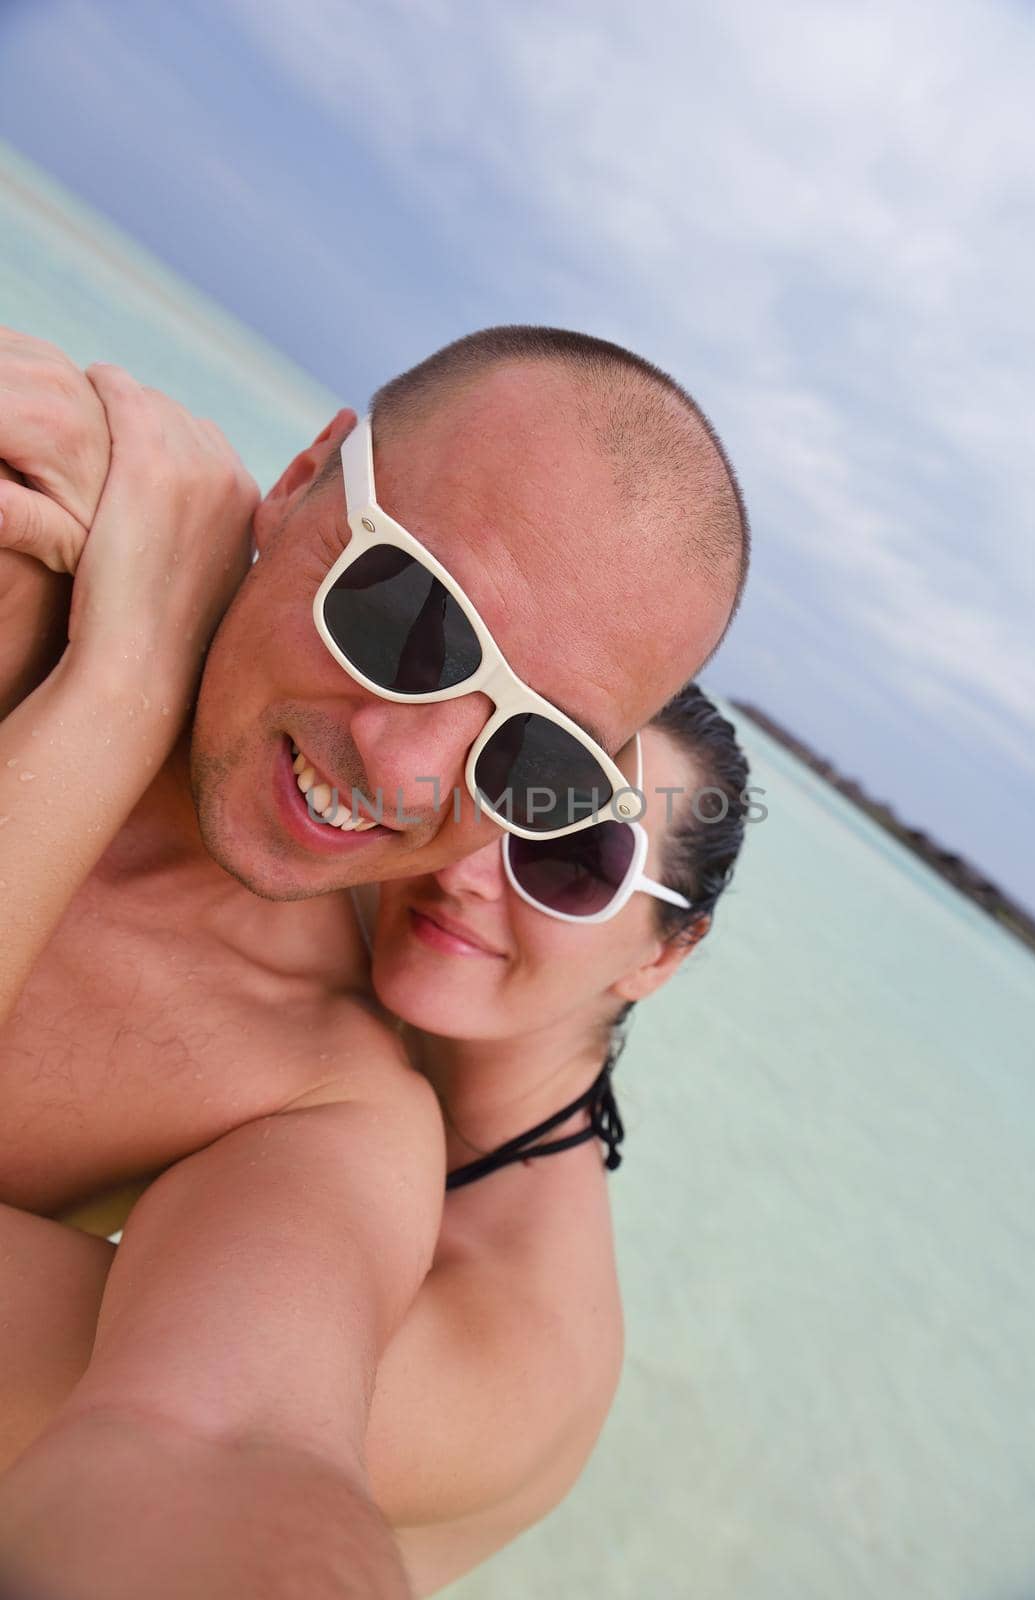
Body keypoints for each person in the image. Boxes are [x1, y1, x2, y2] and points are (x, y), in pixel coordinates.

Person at [0, 324, 750, 1597]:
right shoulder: (44, 543)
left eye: (542, 768)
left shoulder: (326, 1106)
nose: (409, 773)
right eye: (409, 617)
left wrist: (119, 692)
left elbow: (228, 1443)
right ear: (303, 480)